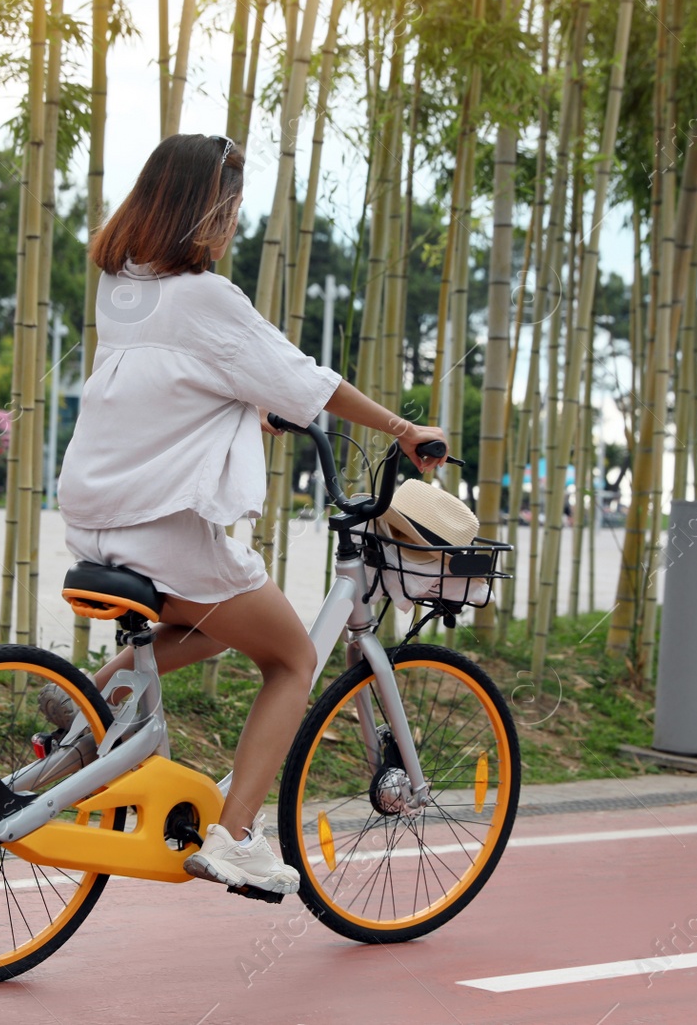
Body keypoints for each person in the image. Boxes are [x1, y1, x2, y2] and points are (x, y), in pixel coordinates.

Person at [48, 133, 446, 899]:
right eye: (230, 205)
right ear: (208, 207)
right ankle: (233, 838)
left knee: (206, 631)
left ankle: (91, 696)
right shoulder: (208, 296)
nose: (232, 222)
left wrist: (247, 410)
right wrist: (404, 430)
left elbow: (167, 383)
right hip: (154, 521)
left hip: (94, 508)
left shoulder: (120, 284)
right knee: (291, 656)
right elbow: (308, 379)